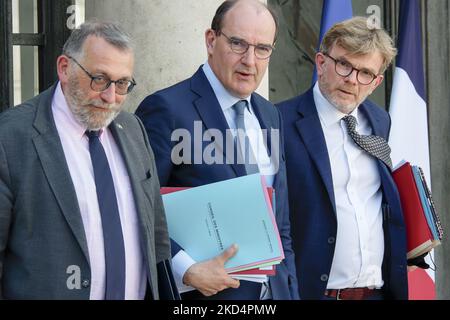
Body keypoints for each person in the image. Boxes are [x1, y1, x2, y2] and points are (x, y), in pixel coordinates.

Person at [0, 21, 178, 300]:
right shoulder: (10, 137)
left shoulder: (133, 129)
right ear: (64, 68)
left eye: (122, 84)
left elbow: (155, 233)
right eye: (99, 79)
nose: (110, 97)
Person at [136, 0, 298, 300]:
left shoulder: (270, 115)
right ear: (211, 40)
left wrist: (289, 291)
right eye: (238, 44)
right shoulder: (166, 109)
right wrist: (185, 268)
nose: (250, 60)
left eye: (262, 48)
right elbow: (137, 207)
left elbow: (280, 221)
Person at [277, 17, 409, 300]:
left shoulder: (379, 121)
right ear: (322, 63)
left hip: (376, 293)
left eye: (365, 73)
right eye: (344, 65)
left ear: (376, 83)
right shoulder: (278, 123)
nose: (352, 79)